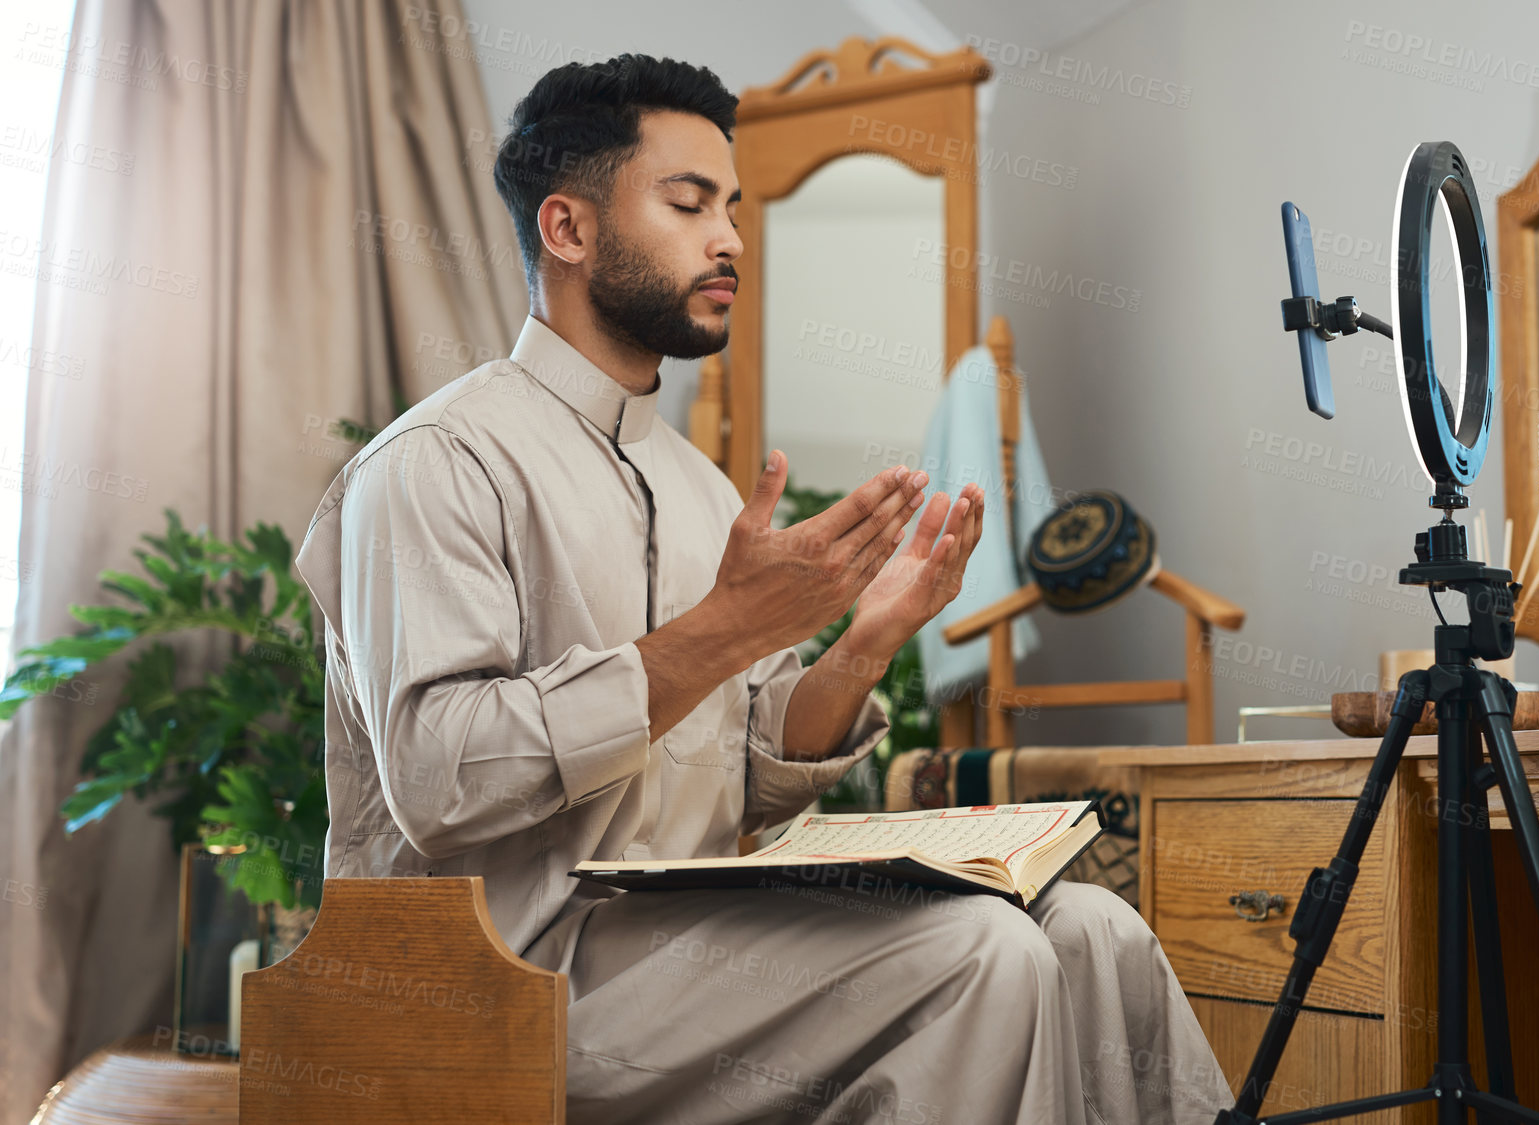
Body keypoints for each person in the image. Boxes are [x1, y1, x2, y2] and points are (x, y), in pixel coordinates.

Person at [292, 52, 1232, 1124]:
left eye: (732, 207)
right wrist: (724, 628)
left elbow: (747, 773)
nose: (730, 238)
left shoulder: (699, 490)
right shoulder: (436, 464)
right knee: (976, 952)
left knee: (1092, 933)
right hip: (508, 974)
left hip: (697, 948)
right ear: (567, 230)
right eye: (688, 203)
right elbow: (439, 778)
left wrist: (864, 642)